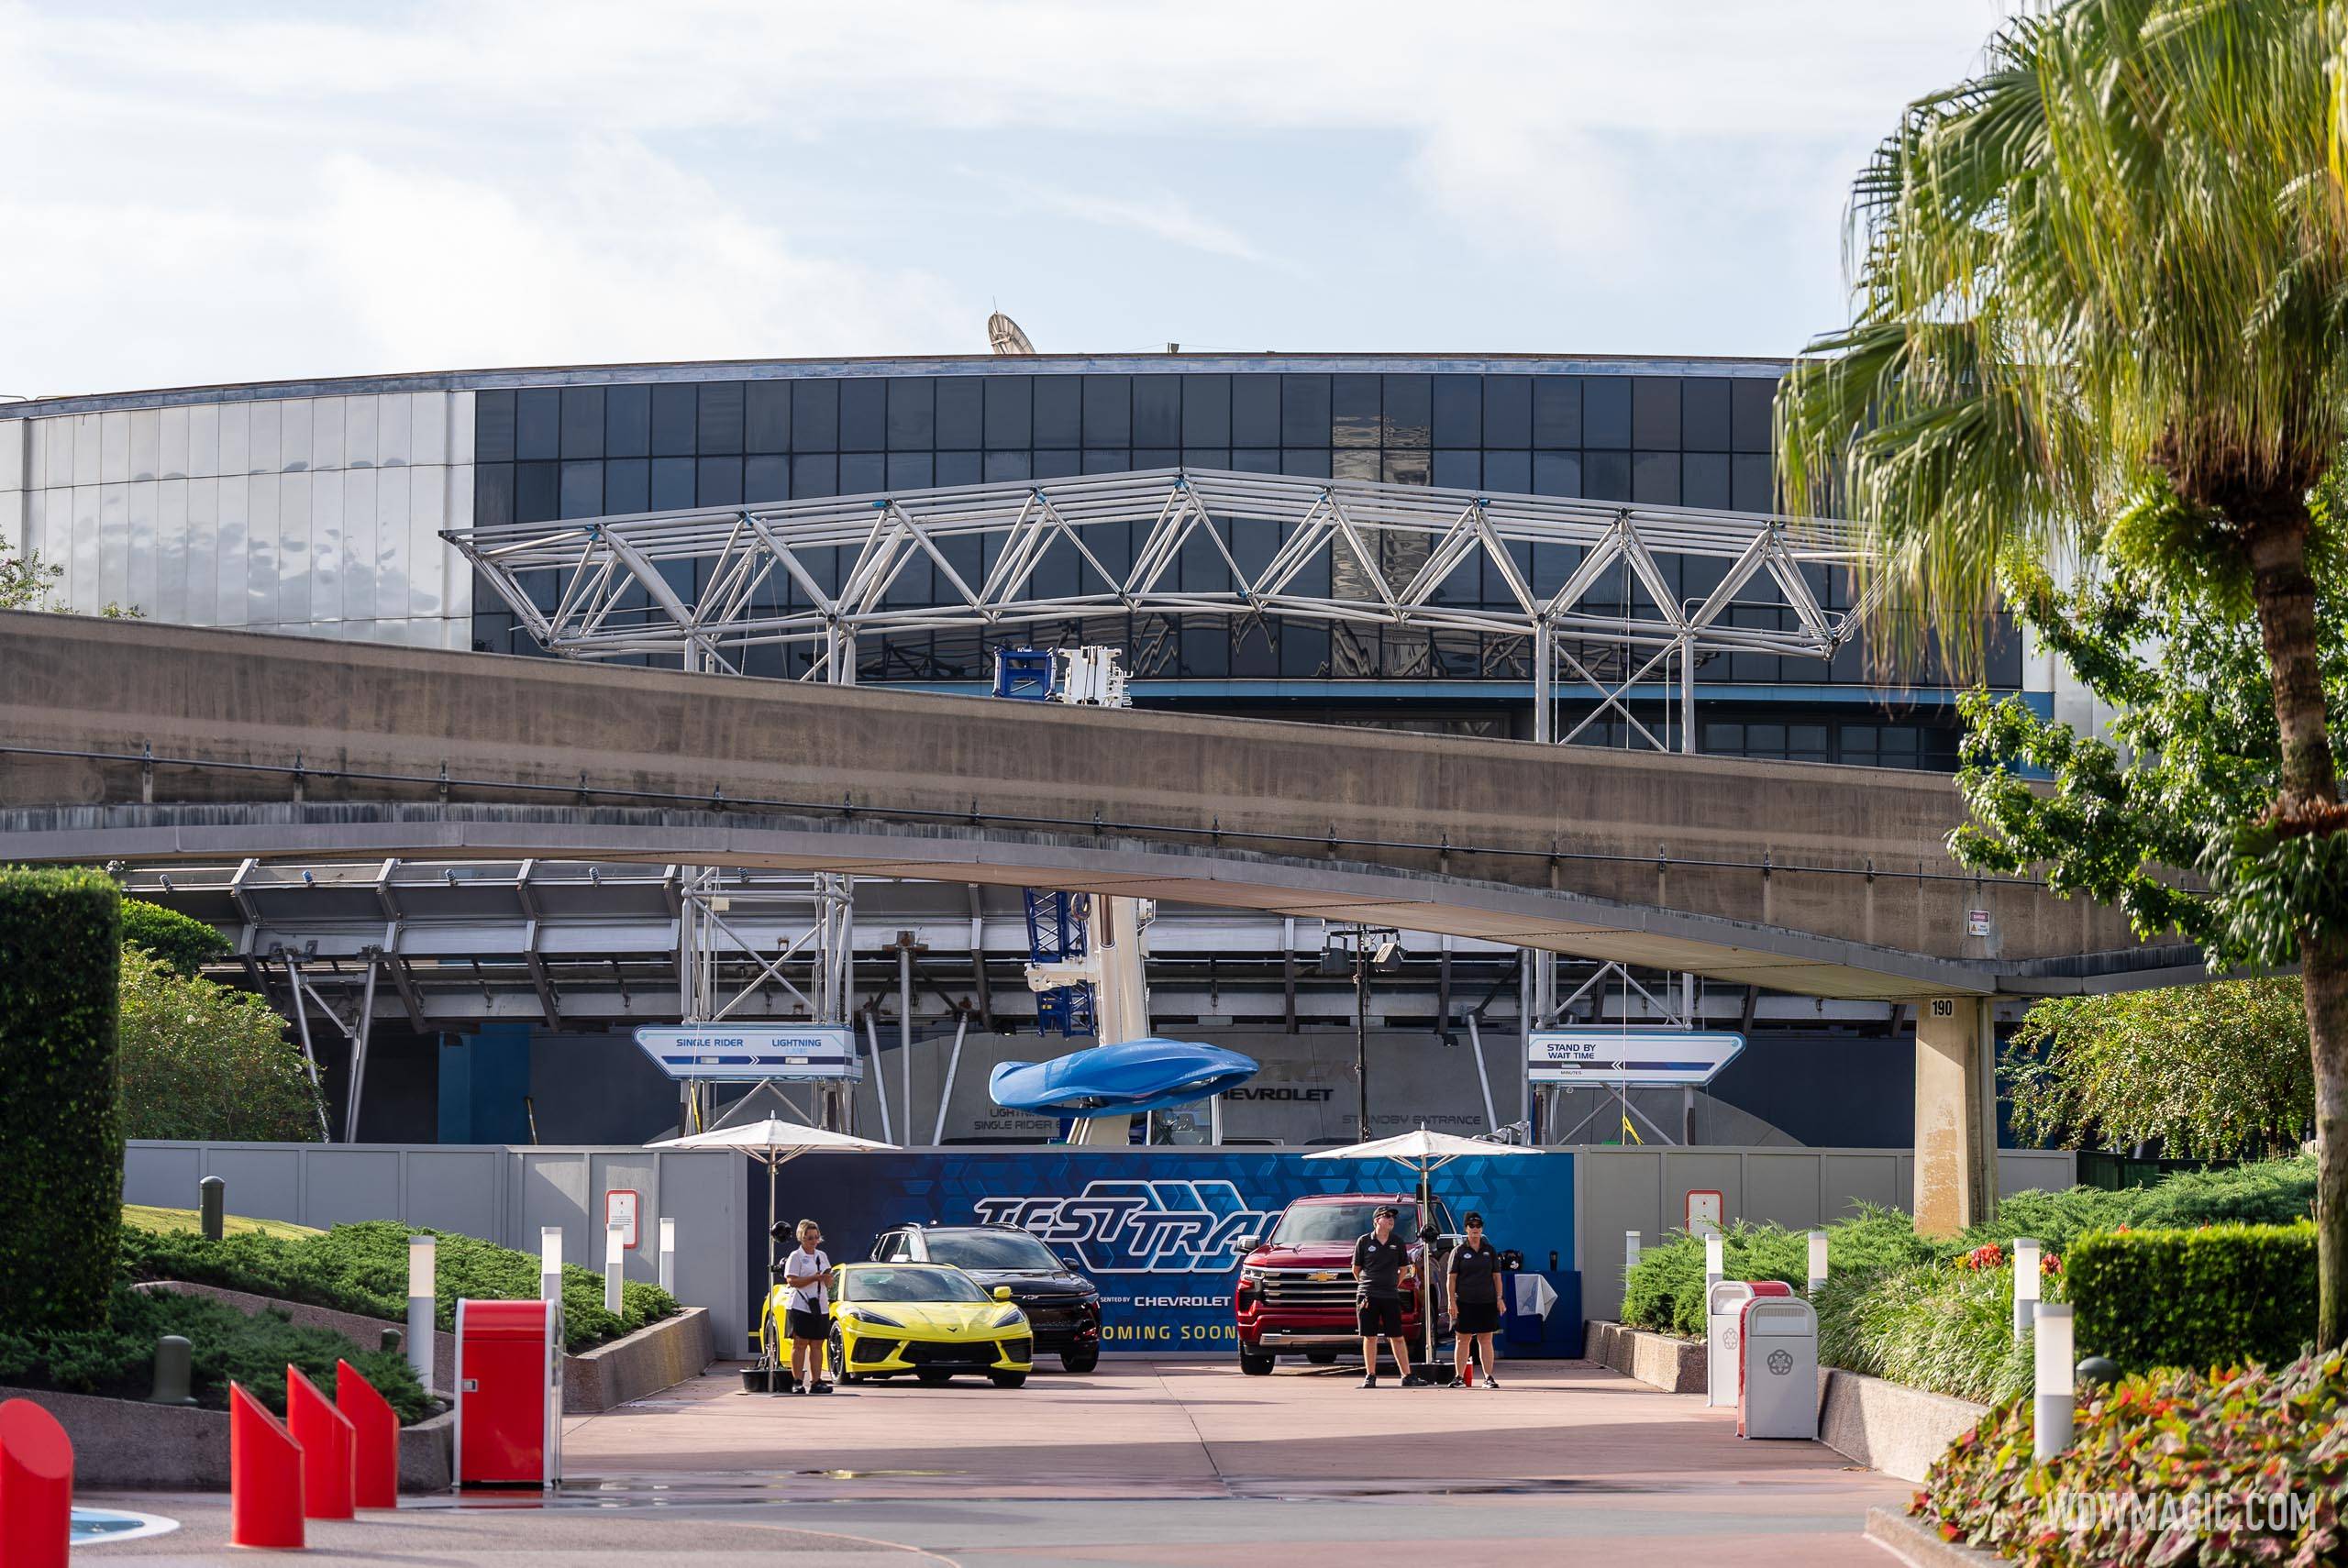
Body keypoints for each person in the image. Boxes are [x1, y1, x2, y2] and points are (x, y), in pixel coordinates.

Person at [1352, 1204, 1426, 1388]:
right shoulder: (1364, 1241)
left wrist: (1394, 1284)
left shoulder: (1397, 1242)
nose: (1391, 1220)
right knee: (1370, 1336)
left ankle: (1407, 1375)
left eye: (1392, 1217)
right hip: (1368, 1295)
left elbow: (1403, 1268)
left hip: (1390, 1295)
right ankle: (1370, 1375)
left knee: (1397, 1336)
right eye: (1386, 1216)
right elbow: (1356, 1269)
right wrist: (1367, 1284)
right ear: (1377, 1220)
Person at [1445, 1211, 1503, 1388]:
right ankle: (1459, 1377)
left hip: (1486, 1301)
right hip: (1464, 1301)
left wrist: (1499, 1298)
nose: (1475, 1229)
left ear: (1482, 1228)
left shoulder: (1489, 1251)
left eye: (1478, 1226)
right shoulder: (1459, 1251)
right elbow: (1451, 1278)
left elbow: (1496, 1277)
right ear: (1466, 1229)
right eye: (1471, 1226)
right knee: (1463, 1339)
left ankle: (1488, 1377)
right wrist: (1451, 1301)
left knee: (1486, 1339)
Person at [776, 1218, 834, 1395]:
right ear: (802, 1238)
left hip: (820, 1305)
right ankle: (797, 1381)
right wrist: (813, 1278)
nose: (814, 1241)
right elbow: (791, 1281)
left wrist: (827, 1278)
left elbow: (829, 1281)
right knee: (800, 1343)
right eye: (810, 1238)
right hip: (801, 1304)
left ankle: (816, 1381)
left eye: (816, 1237)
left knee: (817, 1344)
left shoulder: (821, 1256)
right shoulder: (796, 1256)